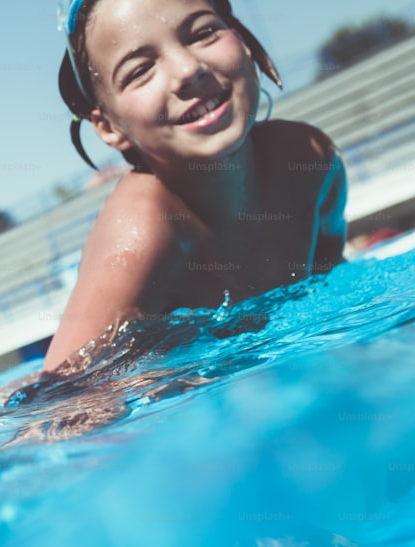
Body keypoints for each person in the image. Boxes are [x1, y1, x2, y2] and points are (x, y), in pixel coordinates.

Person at [44, 0, 348, 372]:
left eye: (203, 33)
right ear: (109, 127)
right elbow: (64, 403)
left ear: (243, 39)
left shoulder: (311, 162)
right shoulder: (143, 231)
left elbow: (334, 282)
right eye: (140, 70)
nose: (188, 70)